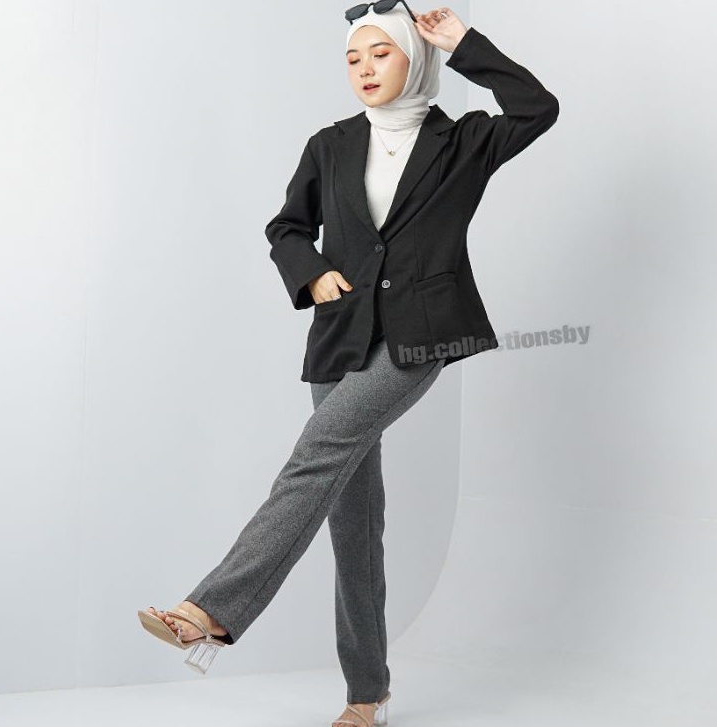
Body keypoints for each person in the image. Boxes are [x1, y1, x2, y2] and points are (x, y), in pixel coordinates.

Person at [138, 3, 558, 727]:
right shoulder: (329, 144)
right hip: (339, 337)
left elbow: (537, 107)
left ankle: (211, 608)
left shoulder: (465, 140)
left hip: (419, 336)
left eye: (380, 54)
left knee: (315, 456)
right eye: (352, 58)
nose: (363, 69)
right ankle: (368, 696)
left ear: (413, 59)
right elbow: (287, 226)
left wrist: (462, 42)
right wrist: (311, 273)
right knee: (352, 524)